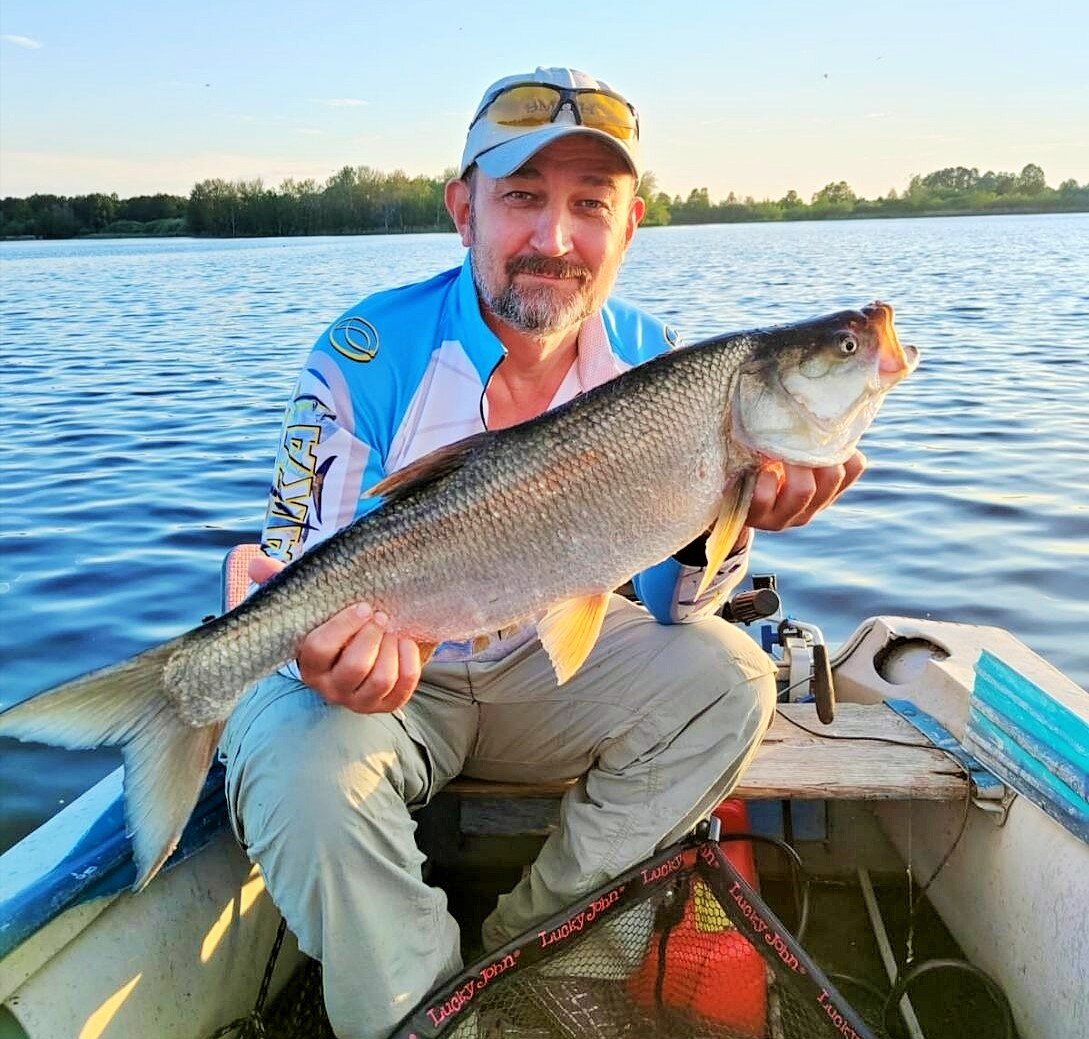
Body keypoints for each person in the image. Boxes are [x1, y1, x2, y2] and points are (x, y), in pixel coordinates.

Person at [220, 66, 863, 1039]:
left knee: (730, 678)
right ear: (463, 207)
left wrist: (736, 526)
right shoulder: (361, 354)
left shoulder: (662, 360)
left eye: (589, 206)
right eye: (523, 196)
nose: (554, 240)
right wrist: (310, 645)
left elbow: (677, 604)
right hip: (398, 680)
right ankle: (429, 1016)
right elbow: (294, 573)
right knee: (287, 748)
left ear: (630, 225)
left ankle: (535, 947)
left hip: (548, 661)